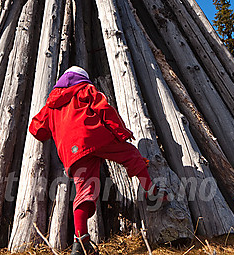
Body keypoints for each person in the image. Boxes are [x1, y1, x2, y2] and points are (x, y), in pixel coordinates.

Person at [29, 66, 168, 255]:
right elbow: (104, 110)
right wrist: (122, 133)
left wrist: (56, 127)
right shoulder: (85, 89)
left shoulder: (51, 104)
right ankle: (151, 191)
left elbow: (36, 129)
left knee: (84, 191)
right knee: (130, 155)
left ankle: (81, 240)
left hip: (71, 151)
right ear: (82, 79)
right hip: (95, 136)